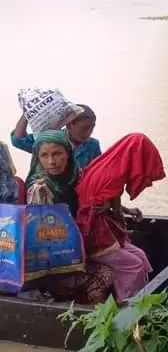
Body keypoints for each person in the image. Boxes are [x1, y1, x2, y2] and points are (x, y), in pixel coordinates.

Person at [24, 130, 113, 304]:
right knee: (104, 276)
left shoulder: (76, 176)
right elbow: (43, 236)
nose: (51, 162)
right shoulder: (40, 189)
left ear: (68, 153)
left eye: (57, 154)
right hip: (51, 264)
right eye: (44, 156)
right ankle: (97, 324)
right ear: (37, 159)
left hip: (76, 247)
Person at [75, 133, 166, 303]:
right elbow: (109, 207)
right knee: (134, 266)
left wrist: (125, 210)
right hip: (93, 237)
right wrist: (117, 212)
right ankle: (129, 309)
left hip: (102, 231)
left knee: (141, 256)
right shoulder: (110, 174)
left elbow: (111, 202)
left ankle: (141, 298)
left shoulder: (111, 166)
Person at [12, 104, 102, 170]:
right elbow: (18, 140)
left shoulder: (93, 145)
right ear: (69, 125)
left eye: (92, 127)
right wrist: (27, 112)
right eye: (84, 128)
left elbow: (97, 171)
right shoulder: (51, 139)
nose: (89, 132)